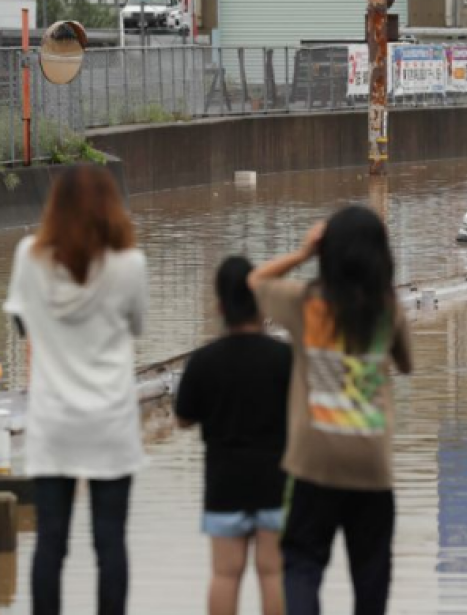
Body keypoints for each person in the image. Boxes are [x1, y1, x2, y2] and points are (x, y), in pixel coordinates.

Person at [248, 206, 413, 615]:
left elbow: (254, 282)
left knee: (302, 565)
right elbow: (407, 363)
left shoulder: (305, 303)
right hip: (372, 465)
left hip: (313, 463)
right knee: (371, 578)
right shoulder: (387, 308)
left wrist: (303, 253)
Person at [3, 165, 148, 615]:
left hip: (55, 423)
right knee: (110, 542)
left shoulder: (30, 255)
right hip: (111, 423)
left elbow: (20, 322)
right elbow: (136, 325)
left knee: (51, 542)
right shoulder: (129, 264)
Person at [175, 256, 291, 615]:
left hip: (224, 482)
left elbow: (182, 418)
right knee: (273, 573)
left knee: (225, 574)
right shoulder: (284, 357)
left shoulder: (204, 361)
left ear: (220, 305)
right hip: (276, 479)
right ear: (261, 303)